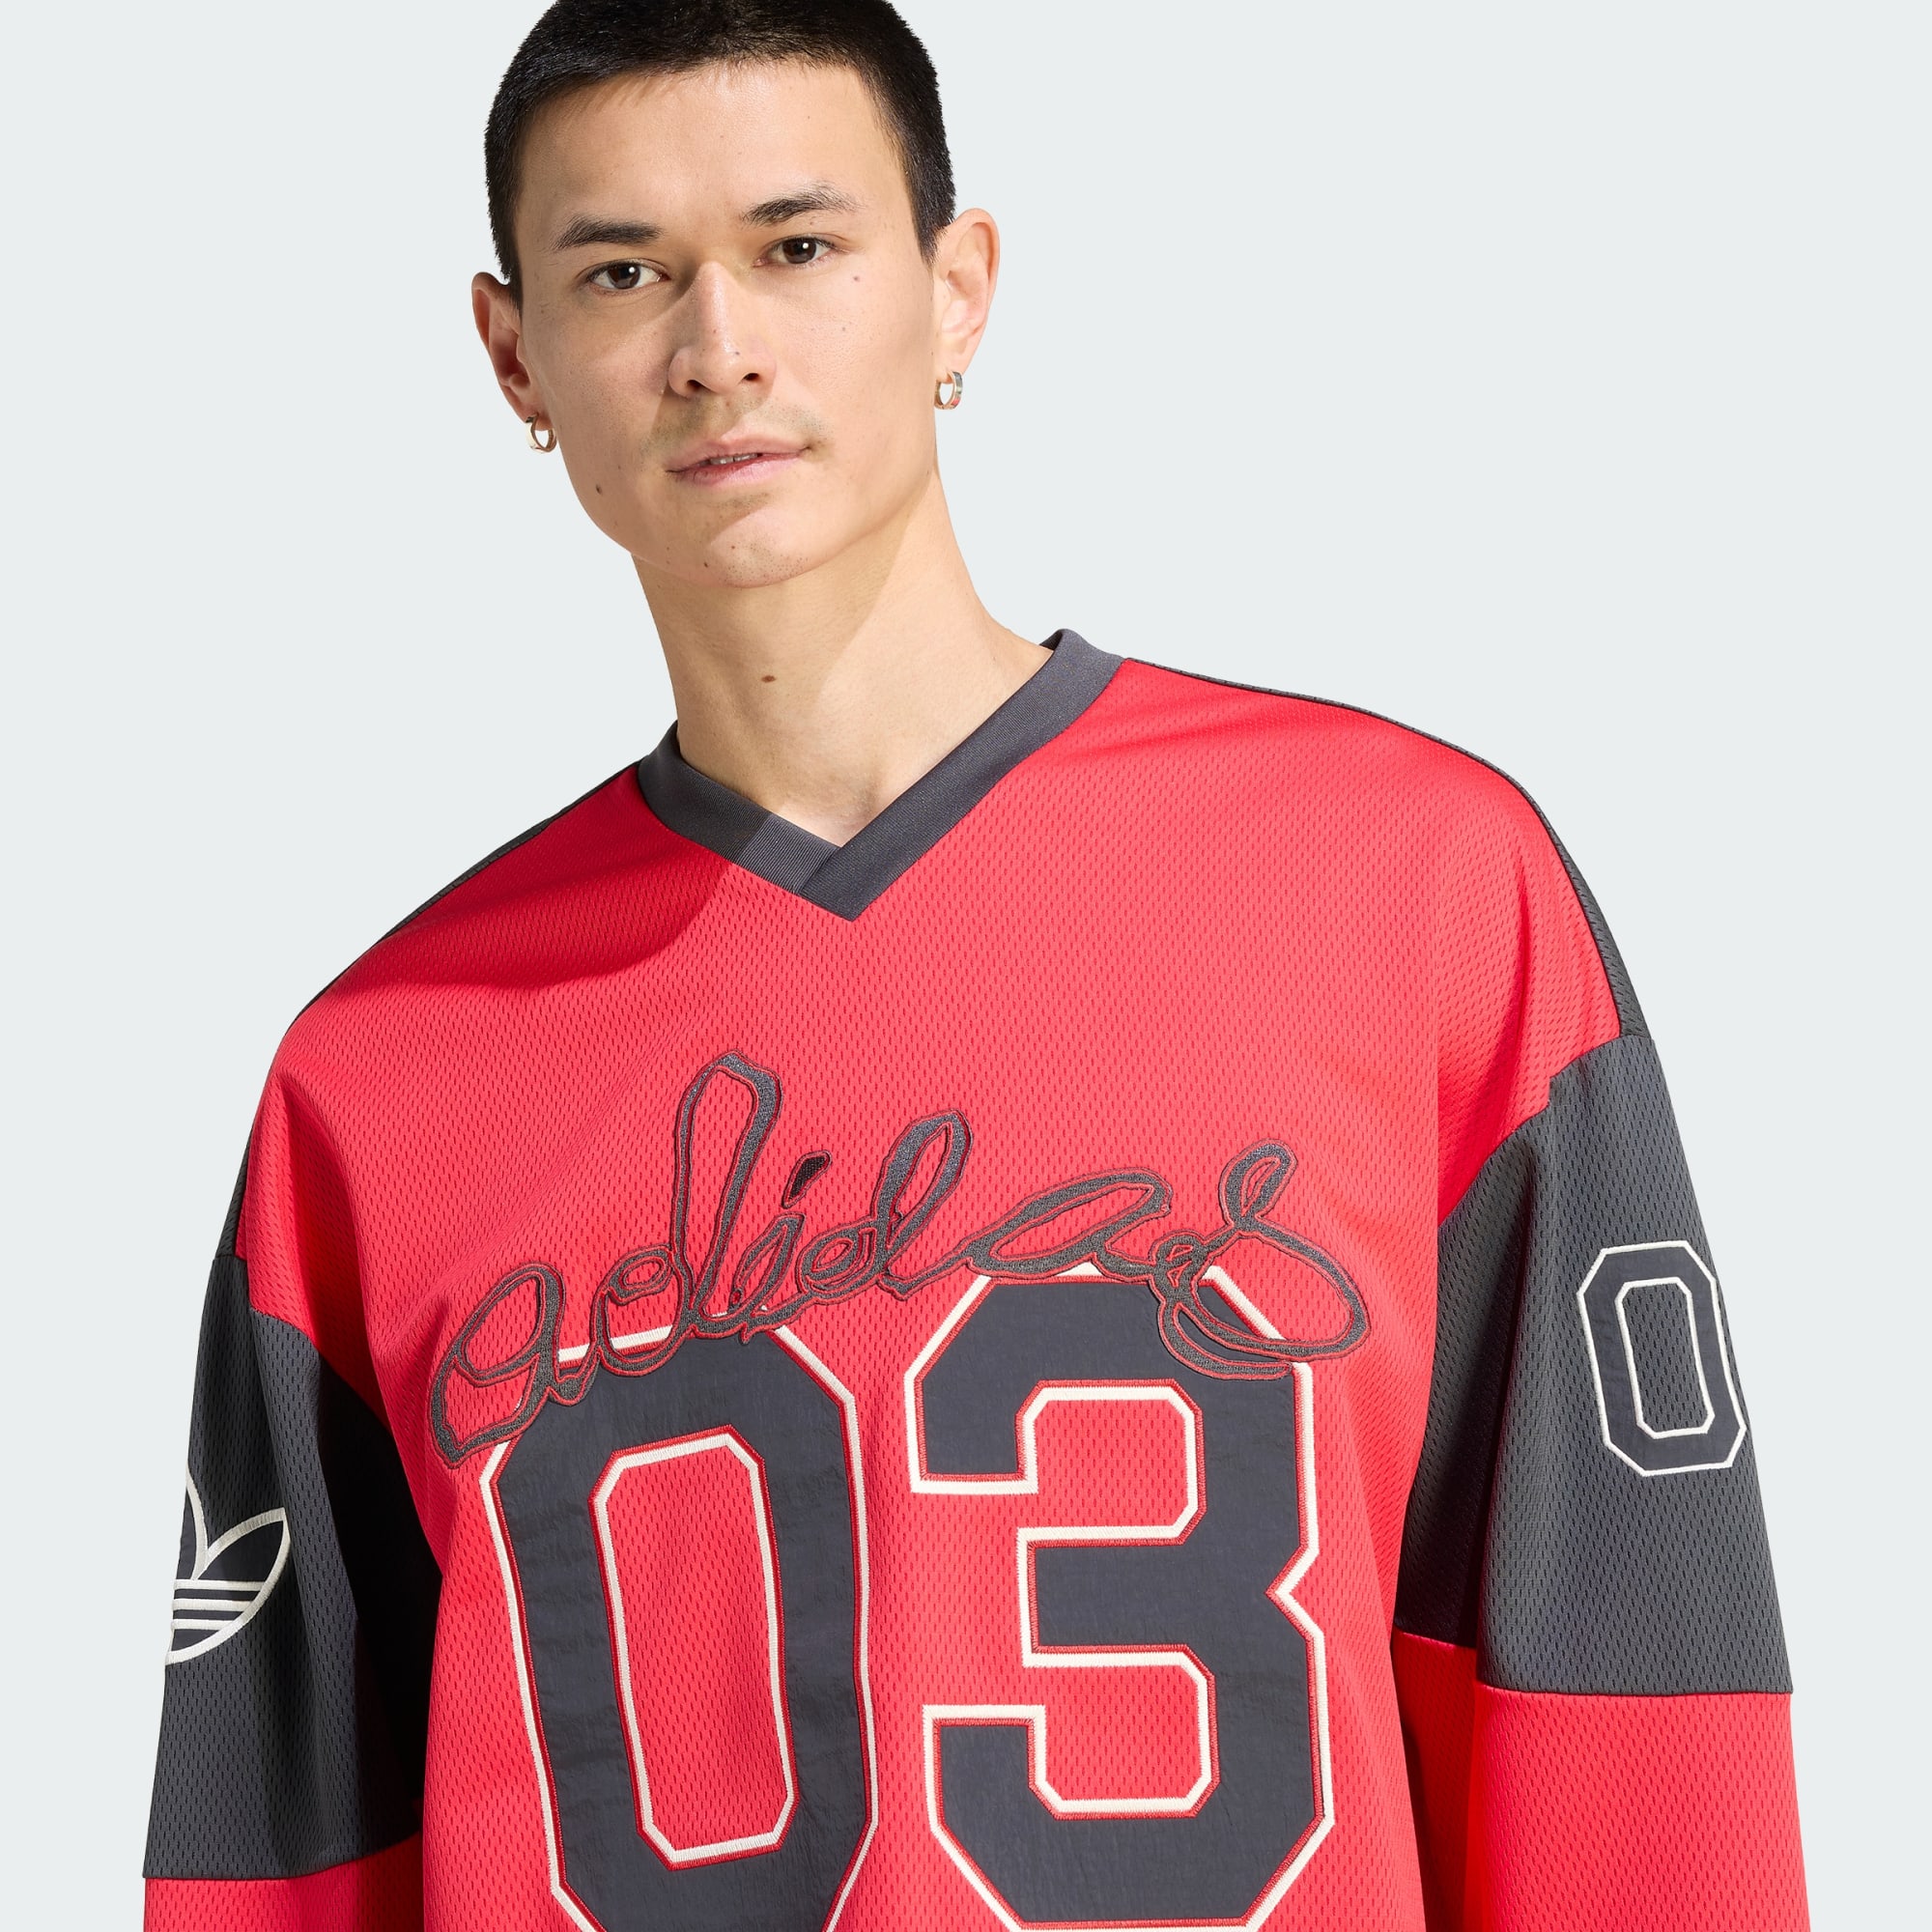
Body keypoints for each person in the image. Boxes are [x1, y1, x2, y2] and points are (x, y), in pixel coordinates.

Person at [141, 4, 1808, 1928]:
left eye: (797, 245)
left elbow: (1624, 1718)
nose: (718, 345)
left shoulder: (1419, 892)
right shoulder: (381, 1082)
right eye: (623, 272)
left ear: (957, 291)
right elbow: (281, 1861)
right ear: (516, 356)